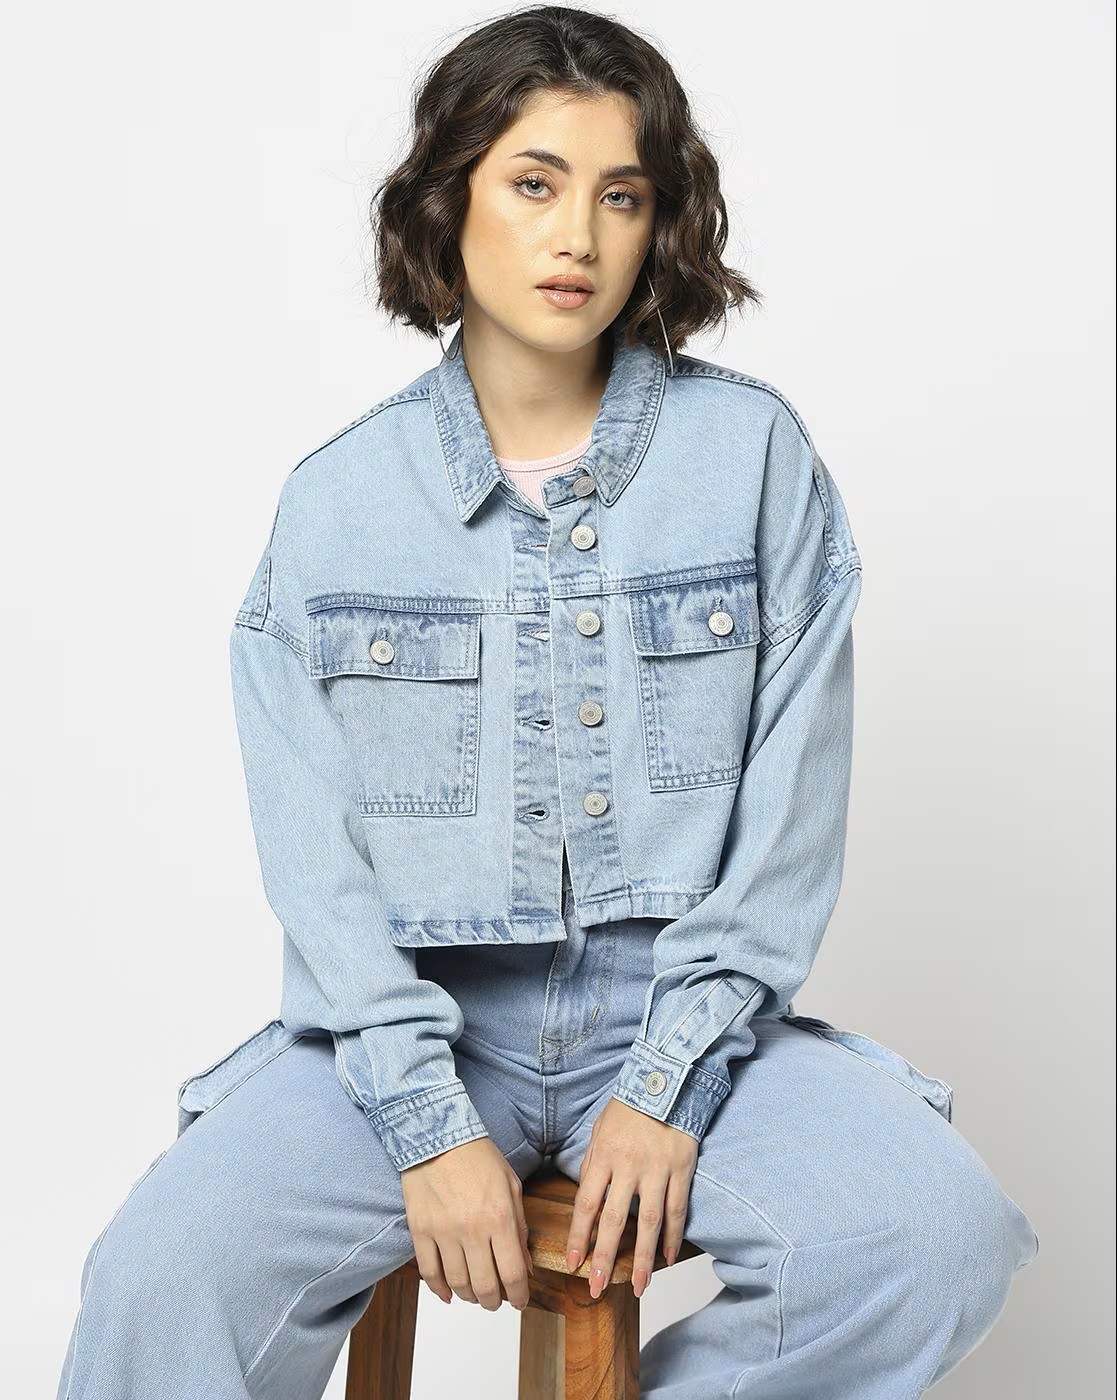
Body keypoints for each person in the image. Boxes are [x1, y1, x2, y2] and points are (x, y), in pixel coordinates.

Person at [54, 7, 1039, 1397]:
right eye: (534, 183)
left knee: (933, 1241)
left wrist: (668, 1082)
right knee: (160, 1280)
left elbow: (788, 824)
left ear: (658, 223)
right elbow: (316, 870)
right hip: (409, 1021)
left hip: (683, 1009)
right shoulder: (337, 503)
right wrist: (423, 1119)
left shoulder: (753, 459)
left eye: (620, 195)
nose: (576, 235)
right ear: (449, 200)